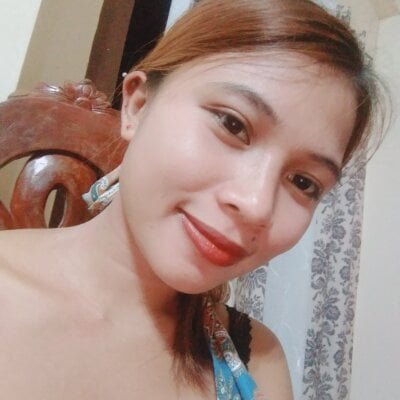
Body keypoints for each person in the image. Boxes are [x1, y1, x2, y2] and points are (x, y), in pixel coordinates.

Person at [0, 0, 382, 399]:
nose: (257, 204)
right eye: (233, 124)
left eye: (304, 182)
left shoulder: (257, 363)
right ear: (138, 105)